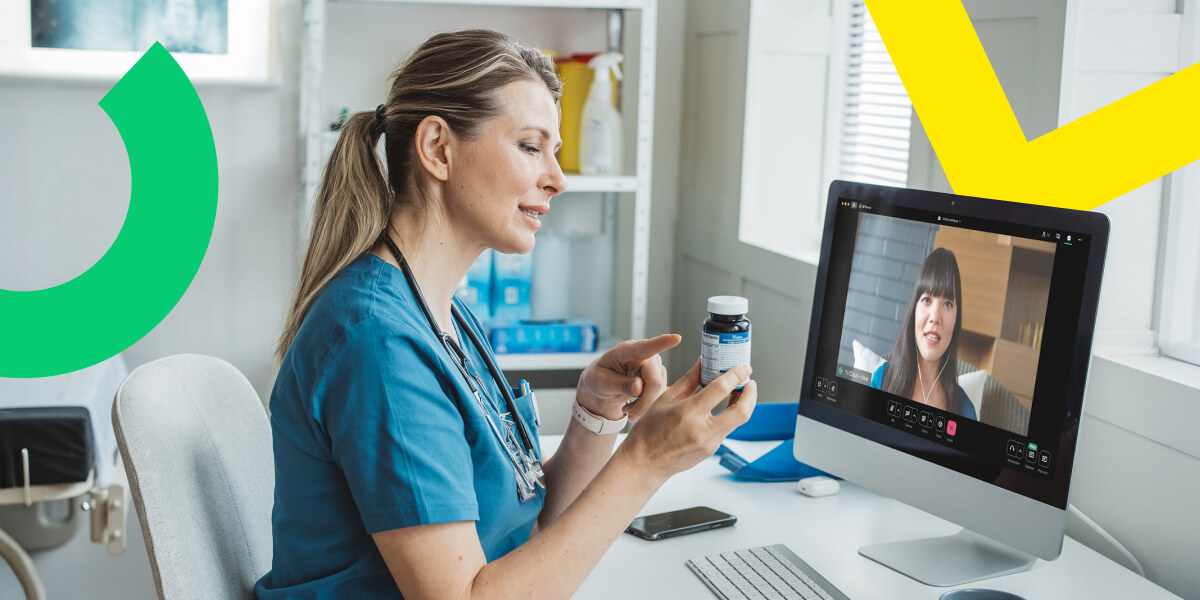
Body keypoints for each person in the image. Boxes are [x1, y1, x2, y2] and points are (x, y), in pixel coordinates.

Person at [255, 29, 758, 599]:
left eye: (557, 152)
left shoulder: (442, 313)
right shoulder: (377, 341)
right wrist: (647, 460)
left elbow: (530, 535)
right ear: (439, 149)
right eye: (529, 146)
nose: (558, 178)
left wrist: (597, 413)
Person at [869, 248, 976, 420]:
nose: (935, 317)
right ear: (913, 311)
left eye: (947, 304)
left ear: (957, 319)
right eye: (927, 299)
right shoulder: (882, 380)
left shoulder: (966, 411)